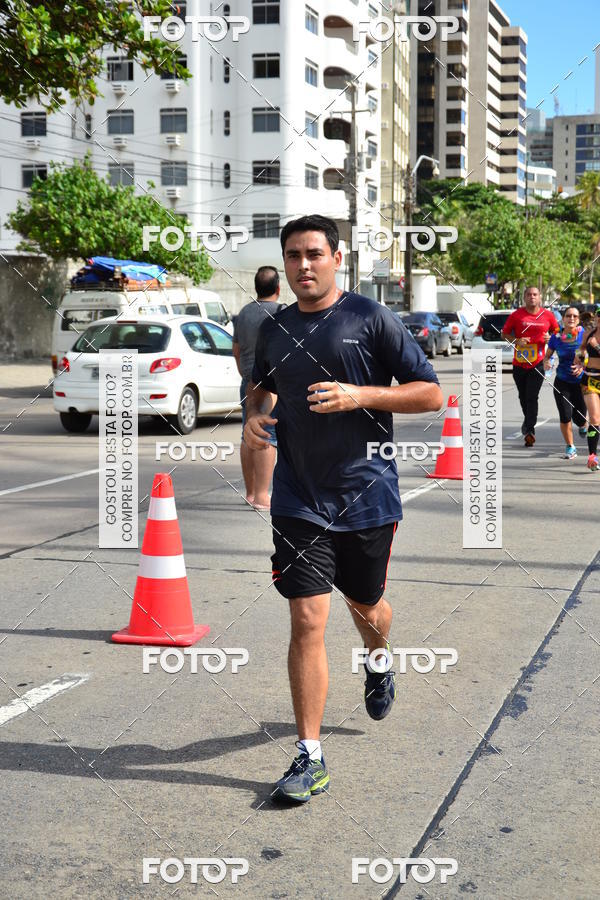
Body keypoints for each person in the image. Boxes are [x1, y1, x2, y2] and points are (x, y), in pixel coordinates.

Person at [244, 215, 443, 803]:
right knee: (307, 618)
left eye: (313, 254)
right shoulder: (275, 328)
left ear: (336, 257)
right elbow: (261, 387)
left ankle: (378, 658)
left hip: (366, 495)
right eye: (292, 256)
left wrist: (361, 395)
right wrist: (256, 414)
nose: (303, 265)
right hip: (299, 498)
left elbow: (430, 391)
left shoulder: (370, 318)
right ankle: (310, 756)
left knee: (368, 608)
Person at [232, 266, 283, 509]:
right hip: (270, 382)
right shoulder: (281, 312)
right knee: (266, 435)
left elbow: (237, 349)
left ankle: (251, 492)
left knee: (248, 433)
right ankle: (263, 497)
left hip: (247, 381)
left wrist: (244, 372)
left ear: (256, 287)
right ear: (278, 288)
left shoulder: (243, 313)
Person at [502, 286, 560, 446]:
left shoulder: (548, 315)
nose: (532, 297)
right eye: (529, 294)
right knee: (523, 396)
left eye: (535, 294)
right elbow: (504, 333)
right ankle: (528, 423)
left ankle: (529, 430)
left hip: (537, 363)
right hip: (519, 363)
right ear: (524, 297)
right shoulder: (516, 315)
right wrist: (516, 341)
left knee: (531, 396)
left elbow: (558, 333)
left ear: (540, 297)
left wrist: (551, 338)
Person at [543, 306, 587, 459]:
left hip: (582, 382)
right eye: (568, 315)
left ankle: (582, 425)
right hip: (562, 380)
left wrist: (583, 366)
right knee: (565, 415)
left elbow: (592, 356)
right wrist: (546, 363)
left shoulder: (584, 335)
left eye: (575, 316)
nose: (572, 318)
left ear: (578, 319)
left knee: (580, 417)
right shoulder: (555, 337)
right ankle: (570, 446)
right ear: (563, 318)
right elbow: (547, 356)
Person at [573, 306, 600, 471]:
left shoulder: (594, 339)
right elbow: (582, 348)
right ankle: (592, 456)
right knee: (595, 418)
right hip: (590, 379)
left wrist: (597, 347)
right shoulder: (588, 333)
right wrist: (579, 359)